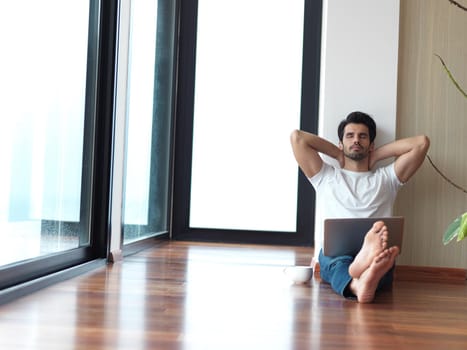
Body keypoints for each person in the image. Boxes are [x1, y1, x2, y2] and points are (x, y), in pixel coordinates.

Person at [290, 111, 430, 303]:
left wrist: (377, 155)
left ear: (371, 145)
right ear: (341, 143)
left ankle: (360, 277)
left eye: (362, 136)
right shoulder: (325, 176)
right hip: (337, 254)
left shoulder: (387, 179)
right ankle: (360, 277)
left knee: (380, 261)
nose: (356, 140)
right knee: (337, 261)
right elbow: (297, 138)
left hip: (376, 253)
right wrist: (337, 154)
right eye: (350, 136)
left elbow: (421, 143)